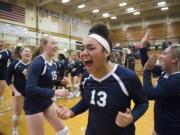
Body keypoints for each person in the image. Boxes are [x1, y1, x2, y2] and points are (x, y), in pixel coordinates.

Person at [57, 23, 148, 135]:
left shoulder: (127, 77)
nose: (84, 53)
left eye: (90, 48)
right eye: (82, 48)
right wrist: (72, 111)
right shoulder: (86, 77)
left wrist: (132, 117)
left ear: (106, 52)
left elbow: (143, 102)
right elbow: (86, 100)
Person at [24, 36, 70, 135]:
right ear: (44, 45)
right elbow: (30, 88)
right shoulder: (38, 62)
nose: (56, 46)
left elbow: (48, 80)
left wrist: (60, 82)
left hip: (46, 101)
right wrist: (54, 92)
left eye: (56, 44)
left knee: (64, 131)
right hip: (33, 104)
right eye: (53, 43)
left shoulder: (53, 63)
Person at [140, 31, 180, 135]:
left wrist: (147, 71)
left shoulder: (177, 80)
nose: (160, 56)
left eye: (164, 54)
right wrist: (143, 47)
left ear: (174, 59)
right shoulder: (166, 72)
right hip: (160, 127)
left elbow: (149, 94)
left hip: (171, 130)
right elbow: (146, 64)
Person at [6, 47, 32, 135]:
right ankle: (14, 130)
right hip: (18, 93)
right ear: (21, 53)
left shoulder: (34, 64)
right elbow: (8, 79)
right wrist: (16, 92)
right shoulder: (14, 64)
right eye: (26, 51)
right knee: (17, 112)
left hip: (31, 94)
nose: (28, 53)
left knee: (31, 113)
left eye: (30, 52)